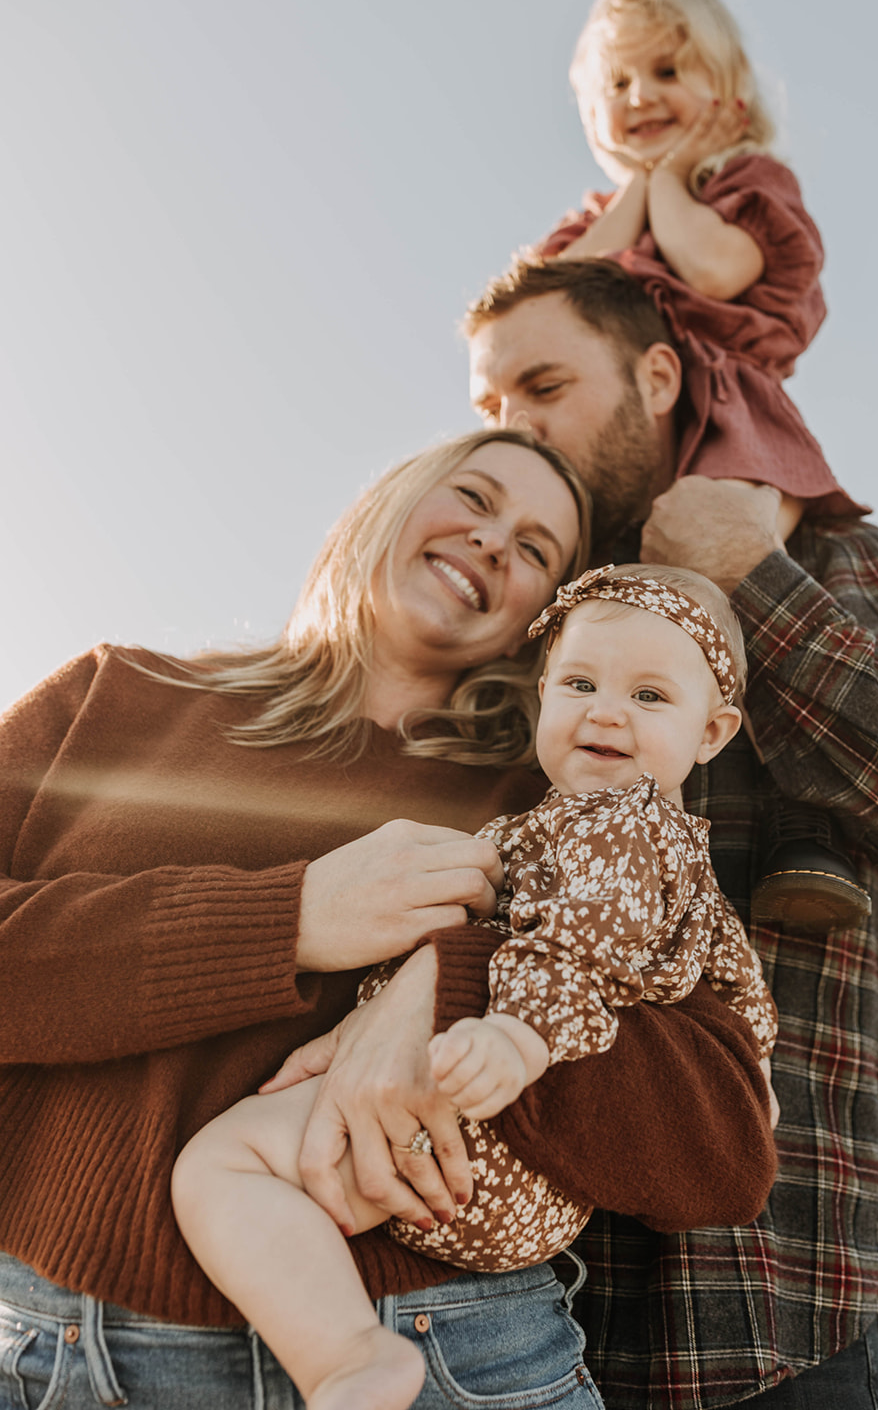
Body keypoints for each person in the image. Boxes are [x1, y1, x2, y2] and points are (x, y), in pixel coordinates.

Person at [0, 426, 779, 1410]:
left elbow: (721, 1149)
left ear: (546, 624)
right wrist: (283, 921)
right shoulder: (114, 697)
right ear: (388, 503)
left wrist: (441, 985)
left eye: (536, 549)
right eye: (474, 497)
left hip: (451, 1353)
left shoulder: (568, 800)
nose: (496, 542)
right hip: (53, 1355)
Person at [462, 258, 878, 1407]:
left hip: (777, 1306)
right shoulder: (532, 622)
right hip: (506, 1311)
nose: (514, 429)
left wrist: (750, 580)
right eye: (489, 408)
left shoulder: (826, 560)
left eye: (541, 386)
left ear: (657, 375)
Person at [171, 562, 777, 1410]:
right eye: (580, 682)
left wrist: (515, 1034)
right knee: (283, 1182)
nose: (605, 711)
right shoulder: (588, 831)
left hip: (477, 1131)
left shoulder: (626, 827)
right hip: (504, 1182)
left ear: (710, 733)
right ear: (543, 696)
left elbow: (582, 944)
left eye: (648, 697)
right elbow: (741, 993)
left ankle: (347, 1358)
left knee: (222, 1167)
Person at [537, 0, 872, 930]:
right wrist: (634, 191)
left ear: (725, 97)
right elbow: (564, 297)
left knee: (745, 601)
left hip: (736, 431)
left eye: (666, 75)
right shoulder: (598, 224)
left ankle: (809, 828)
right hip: (645, 449)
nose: (641, 97)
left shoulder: (738, 189)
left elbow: (721, 269)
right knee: (659, 638)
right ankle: (632, 824)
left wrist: (668, 180)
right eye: (619, 85)